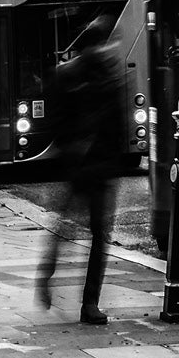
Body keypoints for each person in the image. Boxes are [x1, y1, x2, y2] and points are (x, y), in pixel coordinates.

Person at [35, 21, 125, 326]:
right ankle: (49, 277)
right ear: (90, 46)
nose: (102, 50)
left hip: (96, 167)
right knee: (70, 231)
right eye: (99, 44)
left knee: (97, 236)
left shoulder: (108, 76)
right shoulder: (69, 75)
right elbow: (56, 120)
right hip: (80, 167)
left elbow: (119, 125)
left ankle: (89, 303)